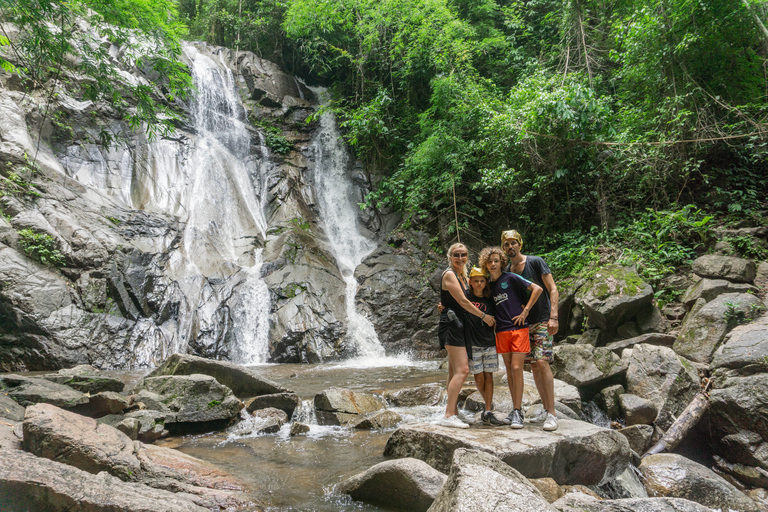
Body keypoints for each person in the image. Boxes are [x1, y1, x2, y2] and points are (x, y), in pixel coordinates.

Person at [501, 230, 560, 431]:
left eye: (513, 243)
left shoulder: (535, 262)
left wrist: (554, 317)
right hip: (523, 325)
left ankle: (552, 413)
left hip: (542, 319)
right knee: (534, 365)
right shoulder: (508, 269)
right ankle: (545, 409)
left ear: (520, 244)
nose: (510, 247)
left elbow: (552, 288)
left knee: (542, 362)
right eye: (506, 244)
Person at [479, 246, 542, 429]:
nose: (493, 264)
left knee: (516, 368)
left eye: (496, 261)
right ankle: (516, 410)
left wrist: (526, 311)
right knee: (508, 370)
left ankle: (517, 410)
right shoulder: (487, 285)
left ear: (501, 263)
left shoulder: (511, 277)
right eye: (489, 262)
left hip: (518, 328)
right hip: (501, 331)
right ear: (485, 264)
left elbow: (536, 289)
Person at [438, 243, 495, 429]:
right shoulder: (449, 274)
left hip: (460, 326)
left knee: (453, 372)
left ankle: (453, 411)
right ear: (450, 256)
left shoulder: (463, 276)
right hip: (452, 326)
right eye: (456, 255)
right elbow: (462, 301)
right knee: (463, 371)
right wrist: (484, 316)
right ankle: (448, 416)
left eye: (463, 255)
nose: (460, 258)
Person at [465, 266, 506, 426]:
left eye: (482, 281)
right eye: (476, 281)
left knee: (489, 376)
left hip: (489, 343)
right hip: (473, 344)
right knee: (479, 377)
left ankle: (488, 410)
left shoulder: (490, 299)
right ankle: (488, 403)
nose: (479, 284)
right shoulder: (466, 297)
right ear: (470, 282)